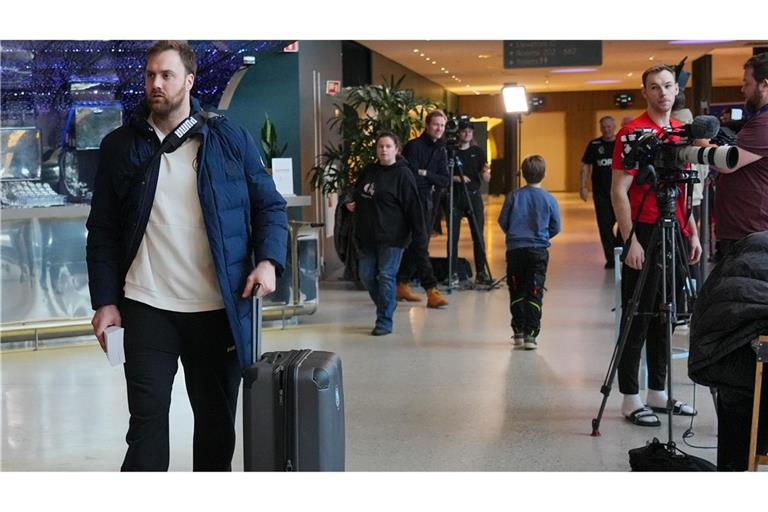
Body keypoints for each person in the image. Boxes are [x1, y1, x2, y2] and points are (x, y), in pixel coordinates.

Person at [86, 41, 288, 471]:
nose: (156, 84)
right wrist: (105, 302)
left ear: (190, 81)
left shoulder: (228, 139)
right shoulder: (120, 146)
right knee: (145, 426)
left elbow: (269, 205)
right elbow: (101, 230)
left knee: (216, 428)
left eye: (167, 75)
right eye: (150, 75)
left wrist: (268, 261)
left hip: (217, 310)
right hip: (146, 307)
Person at [611, 64, 702, 427]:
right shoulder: (632, 133)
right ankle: (630, 397)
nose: (663, 92)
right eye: (655, 87)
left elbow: (682, 193)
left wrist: (691, 230)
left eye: (668, 86)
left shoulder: (682, 132)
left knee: (666, 314)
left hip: (675, 229)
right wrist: (630, 238)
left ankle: (659, 392)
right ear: (645, 92)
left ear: (676, 91)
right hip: (644, 231)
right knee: (639, 313)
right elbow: (618, 192)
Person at [689, 231, 768, 471]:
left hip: (716, 353)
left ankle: (734, 469)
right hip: (742, 356)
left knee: (737, 397)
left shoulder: (753, 241)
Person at [346, 133, 427, 335]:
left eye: (388, 146)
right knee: (366, 276)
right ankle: (387, 304)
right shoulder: (369, 171)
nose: (384, 150)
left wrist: (419, 236)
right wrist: (349, 201)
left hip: (393, 237)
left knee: (385, 276)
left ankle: (384, 320)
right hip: (367, 235)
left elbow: (413, 207)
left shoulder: (403, 175)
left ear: (396, 150)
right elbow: (356, 191)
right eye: (380, 146)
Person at [498, 155, 560, 350]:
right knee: (534, 290)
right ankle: (531, 335)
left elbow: (503, 221)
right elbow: (556, 226)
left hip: (515, 250)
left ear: (522, 174)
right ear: (545, 174)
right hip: (538, 251)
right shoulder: (549, 198)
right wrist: (542, 237)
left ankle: (517, 330)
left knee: (516, 288)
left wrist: (515, 234)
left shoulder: (513, 196)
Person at [712, 53, 768, 261]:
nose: (742, 89)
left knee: (745, 293)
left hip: (751, 235)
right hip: (745, 232)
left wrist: (699, 143)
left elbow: (727, 163)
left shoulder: (764, 123)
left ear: (764, 85)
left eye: (747, 83)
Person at [395, 109, 450, 308]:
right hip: (412, 202)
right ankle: (431, 290)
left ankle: (401, 283)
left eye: (442, 125)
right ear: (427, 126)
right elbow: (411, 178)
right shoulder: (414, 146)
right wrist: (428, 177)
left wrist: (426, 173)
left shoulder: (441, 149)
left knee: (419, 244)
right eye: (436, 124)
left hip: (429, 202)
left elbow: (445, 180)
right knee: (419, 244)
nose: (439, 129)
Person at [448, 120, 491, 283]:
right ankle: (452, 272)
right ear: (458, 133)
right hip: (455, 197)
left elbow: (484, 172)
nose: (467, 134)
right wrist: (457, 178)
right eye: (464, 131)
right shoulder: (450, 152)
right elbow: (444, 174)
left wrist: (487, 174)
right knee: (453, 237)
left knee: (478, 236)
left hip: (473, 196)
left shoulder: (478, 152)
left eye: (470, 132)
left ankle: (481, 272)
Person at [580, 116, 620, 268]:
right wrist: (583, 186)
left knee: (623, 224)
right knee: (604, 226)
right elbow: (586, 166)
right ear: (600, 128)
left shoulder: (620, 144)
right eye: (604, 127)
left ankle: (619, 250)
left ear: (614, 126)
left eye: (609, 126)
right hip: (601, 193)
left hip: (619, 193)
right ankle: (611, 258)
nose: (607, 130)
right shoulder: (594, 144)